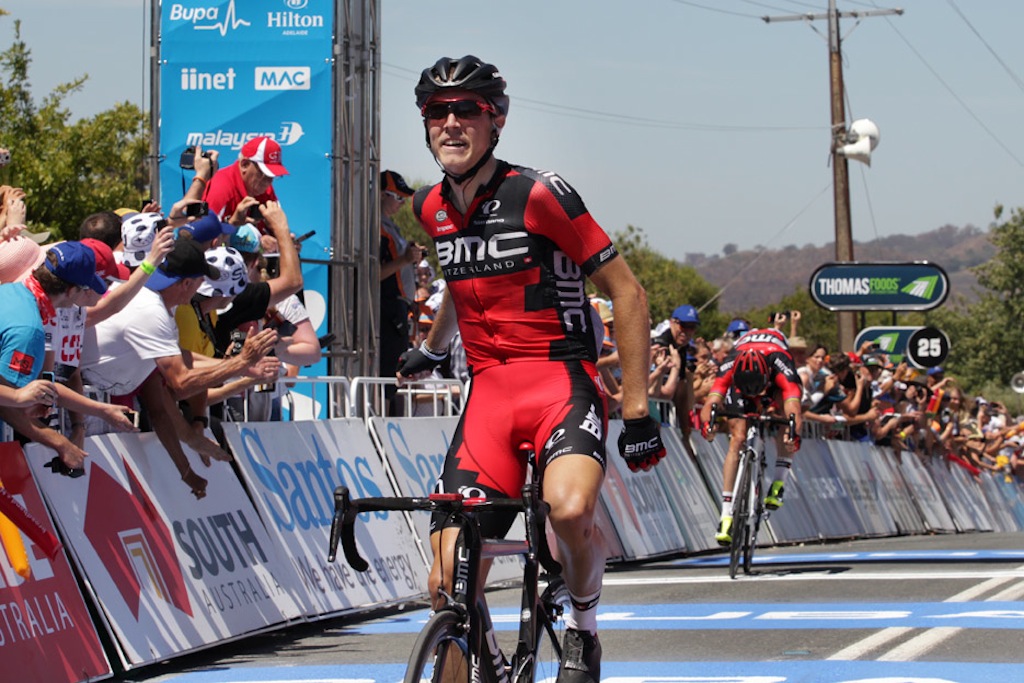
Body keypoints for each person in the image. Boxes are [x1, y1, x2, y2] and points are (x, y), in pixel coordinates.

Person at [395, 55, 664, 683]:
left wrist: (636, 407)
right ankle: (477, 661)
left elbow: (628, 293)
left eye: (469, 111)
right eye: (439, 112)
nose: (452, 123)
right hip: (488, 394)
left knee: (569, 513)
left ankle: (583, 631)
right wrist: (436, 347)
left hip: (558, 384)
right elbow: (463, 286)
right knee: (445, 582)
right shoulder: (427, 205)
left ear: (497, 121)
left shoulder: (540, 193)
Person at [699, 326, 803, 547]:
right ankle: (726, 513)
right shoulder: (729, 363)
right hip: (743, 379)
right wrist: (707, 424)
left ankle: (778, 483)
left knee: (788, 421)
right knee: (737, 438)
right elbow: (711, 402)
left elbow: (794, 405)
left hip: (774, 377)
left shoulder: (782, 363)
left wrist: (795, 434)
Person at [378, 169, 423, 415]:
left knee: (395, 375)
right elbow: (372, 275)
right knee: (387, 375)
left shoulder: (390, 226)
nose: (402, 204)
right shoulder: (377, 228)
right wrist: (405, 259)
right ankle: (380, 433)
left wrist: (409, 255)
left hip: (398, 307)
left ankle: (386, 427)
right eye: (398, 198)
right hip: (386, 307)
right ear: (382, 195)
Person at [202, 136, 287, 252]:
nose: (269, 181)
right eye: (264, 174)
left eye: (273, 175)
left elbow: (272, 232)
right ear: (244, 164)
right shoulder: (220, 188)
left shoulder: (266, 189)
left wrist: (283, 241)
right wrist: (232, 224)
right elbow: (203, 243)